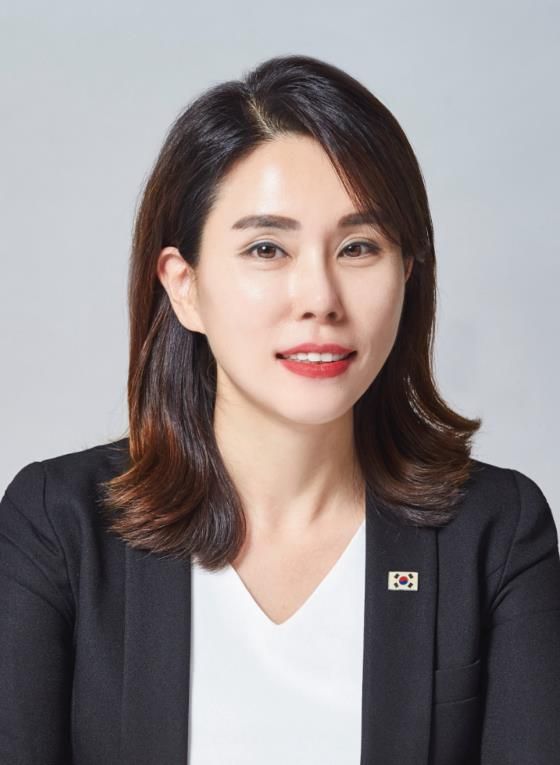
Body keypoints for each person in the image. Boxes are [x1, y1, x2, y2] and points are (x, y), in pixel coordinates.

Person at [1, 53, 559, 765]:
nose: (319, 297)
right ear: (185, 285)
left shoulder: (497, 532)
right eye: (267, 248)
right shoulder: (57, 526)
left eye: (359, 247)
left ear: (407, 274)